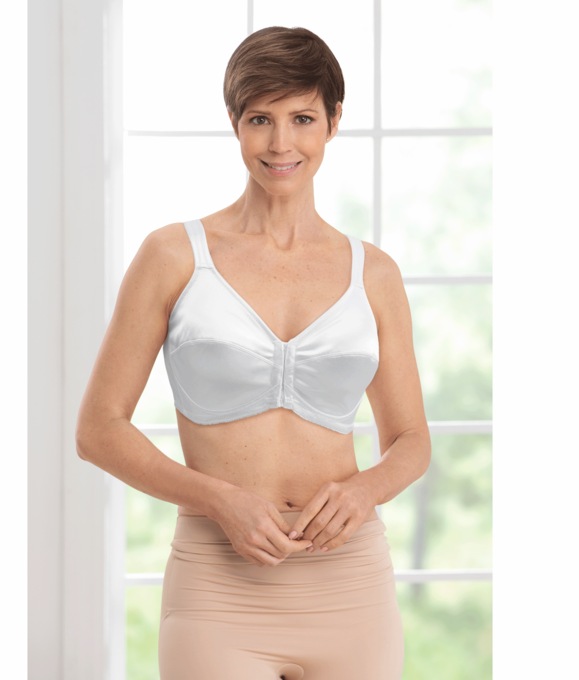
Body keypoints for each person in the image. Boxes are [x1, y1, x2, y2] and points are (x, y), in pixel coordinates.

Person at [76, 26, 431, 680]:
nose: (280, 143)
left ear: (334, 121)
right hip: (218, 583)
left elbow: (411, 439)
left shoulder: (374, 273)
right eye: (260, 119)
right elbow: (98, 429)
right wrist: (218, 500)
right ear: (234, 123)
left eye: (303, 119)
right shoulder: (172, 255)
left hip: (350, 582)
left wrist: (364, 492)